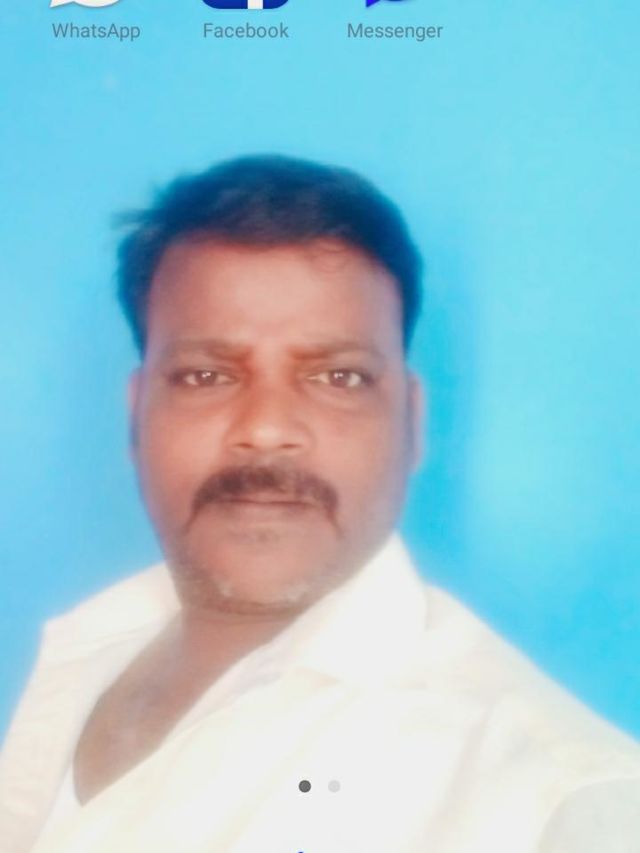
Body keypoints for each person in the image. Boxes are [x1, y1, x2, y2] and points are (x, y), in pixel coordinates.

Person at [0, 155, 638, 853]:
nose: (266, 427)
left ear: (412, 422)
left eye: (339, 377)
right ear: (135, 415)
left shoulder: (558, 805)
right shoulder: (86, 649)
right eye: (205, 375)